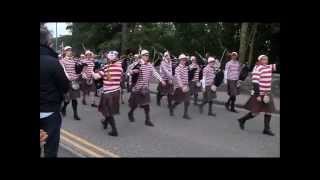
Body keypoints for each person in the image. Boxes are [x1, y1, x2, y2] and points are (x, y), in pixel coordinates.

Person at [40, 25, 69, 157]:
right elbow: (64, 86)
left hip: (49, 109)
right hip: (49, 111)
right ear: (47, 43)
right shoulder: (53, 62)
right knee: (50, 149)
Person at [237, 55, 277, 136]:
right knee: (255, 113)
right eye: (264, 59)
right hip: (260, 93)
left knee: (269, 111)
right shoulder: (257, 69)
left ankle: (266, 129)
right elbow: (255, 83)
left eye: (267, 59)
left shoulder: (269, 67)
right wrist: (258, 95)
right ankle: (242, 120)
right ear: (260, 60)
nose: (266, 60)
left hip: (267, 94)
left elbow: (277, 65)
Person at [128, 50, 166, 126]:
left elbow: (155, 73)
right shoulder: (137, 64)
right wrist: (132, 72)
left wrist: (161, 80)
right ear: (141, 56)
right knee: (135, 105)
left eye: (148, 55)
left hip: (145, 89)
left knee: (146, 106)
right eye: (145, 55)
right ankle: (130, 113)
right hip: (137, 88)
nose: (147, 56)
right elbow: (128, 72)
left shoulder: (149, 65)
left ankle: (147, 120)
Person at [93, 51, 123, 136]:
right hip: (116, 92)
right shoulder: (120, 67)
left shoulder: (106, 67)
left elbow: (96, 77)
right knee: (108, 110)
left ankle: (114, 130)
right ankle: (105, 122)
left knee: (108, 111)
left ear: (109, 59)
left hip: (108, 93)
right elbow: (120, 78)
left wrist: (91, 70)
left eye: (107, 58)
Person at [60, 46, 84, 120]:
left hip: (74, 81)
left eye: (70, 50)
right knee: (67, 99)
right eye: (67, 50)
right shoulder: (62, 61)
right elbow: (62, 71)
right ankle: (64, 108)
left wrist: (80, 72)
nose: (69, 51)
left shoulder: (74, 60)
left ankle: (75, 114)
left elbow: (77, 70)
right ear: (64, 52)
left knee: (74, 99)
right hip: (66, 82)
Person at [169, 54, 192, 119]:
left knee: (187, 101)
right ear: (179, 60)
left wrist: (187, 85)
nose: (184, 61)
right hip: (179, 87)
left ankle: (185, 114)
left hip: (186, 86)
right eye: (182, 60)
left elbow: (187, 77)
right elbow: (178, 78)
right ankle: (172, 108)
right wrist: (182, 87)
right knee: (178, 101)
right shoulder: (177, 69)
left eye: (184, 60)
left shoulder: (186, 68)